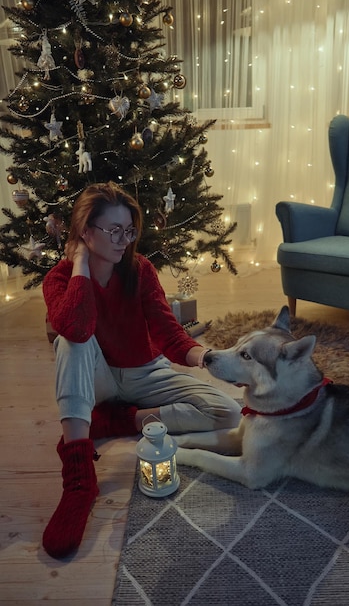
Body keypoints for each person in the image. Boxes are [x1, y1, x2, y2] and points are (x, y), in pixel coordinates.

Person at [42, 181, 241, 559]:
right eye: (113, 230)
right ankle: (80, 482)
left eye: (129, 229)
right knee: (70, 341)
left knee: (227, 410)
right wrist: (81, 265)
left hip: (144, 371)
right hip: (97, 375)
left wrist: (206, 357)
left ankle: (118, 421)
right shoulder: (59, 278)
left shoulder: (140, 270)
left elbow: (167, 330)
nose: (123, 239)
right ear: (86, 231)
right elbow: (77, 327)